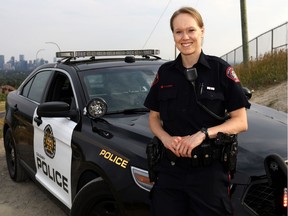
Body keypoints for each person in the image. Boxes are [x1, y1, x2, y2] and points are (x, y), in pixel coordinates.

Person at [144, 6, 250, 216]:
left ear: (202, 31)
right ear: (173, 35)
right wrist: (165, 139)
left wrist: (202, 135)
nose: (185, 37)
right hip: (170, 170)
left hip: (208, 173)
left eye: (191, 30)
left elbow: (240, 122)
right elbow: (154, 118)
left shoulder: (220, 70)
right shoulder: (165, 73)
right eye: (178, 31)